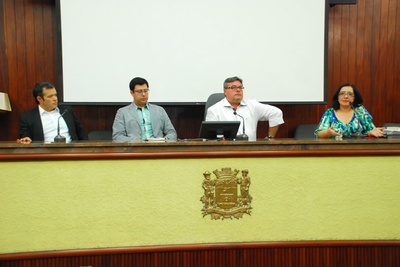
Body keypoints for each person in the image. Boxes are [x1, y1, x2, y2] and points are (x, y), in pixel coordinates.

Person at [205, 76, 284, 141]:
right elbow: (209, 138)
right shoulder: (214, 110)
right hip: (226, 151)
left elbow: (276, 113)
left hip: (250, 151)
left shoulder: (252, 105)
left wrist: (270, 137)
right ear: (225, 91)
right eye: (233, 87)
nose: (238, 90)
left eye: (240, 87)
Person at [18, 82, 88, 144]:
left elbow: (81, 133)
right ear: (39, 99)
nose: (55, 99)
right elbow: (26, 138)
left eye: (55, 95)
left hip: (70, 152)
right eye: (50, 96)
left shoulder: (66, 111)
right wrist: (26, 139)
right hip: (45, 154)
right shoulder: (28, 117)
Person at [112, 77, 177, 142]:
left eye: (146, 91)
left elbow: (172, 133)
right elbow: (117, 137)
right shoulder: (122, 112)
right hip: (134, 149)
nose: (143, 94)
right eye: (139, 91)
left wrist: (164, 140)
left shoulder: (160, 110)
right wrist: (136, 141)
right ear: (132, 93)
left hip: (157, 148)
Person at [315, 83, 385, 138]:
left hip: (357, 149)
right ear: (337, 97)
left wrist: (370, 133)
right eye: (342, 93)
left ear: (354, 98)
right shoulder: (329, 113)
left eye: (350, 94)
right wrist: (328, 132)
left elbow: (371, 130)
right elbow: (319, 134)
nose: (345, 97)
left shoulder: (360, 111)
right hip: (334, 149)